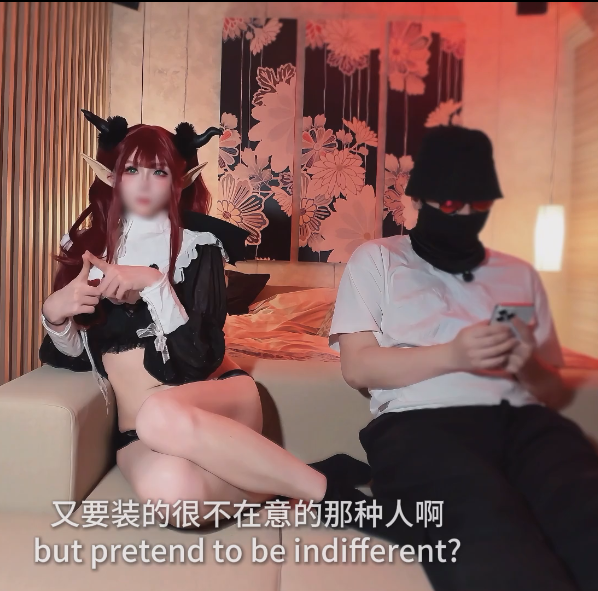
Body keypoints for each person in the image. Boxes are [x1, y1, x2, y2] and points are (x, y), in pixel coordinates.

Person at [329, 126, 598, 591]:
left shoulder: (519, 274)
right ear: (419, 199)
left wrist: (527, 364)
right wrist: (454, 354)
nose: (465, 215)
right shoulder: (377, 259)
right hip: (419, 426)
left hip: (525, 424)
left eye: (479, 205)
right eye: (451, 205)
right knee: (488, 540)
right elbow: (357, 367)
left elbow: (552, 389)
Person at [39, 111, 364, 525]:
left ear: (180, 181)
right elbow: (78, 359)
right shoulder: (88, 249)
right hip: (138, 432)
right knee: (177, 499)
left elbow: (200, 359)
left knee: (158, 412)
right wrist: (55, 315)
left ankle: (333, 497)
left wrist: (155, 285)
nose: (143, 183)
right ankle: (298, 478)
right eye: (131, 170)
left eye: (158, 172)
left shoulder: (199, 245)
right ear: (112, 176)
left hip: (217, 400)